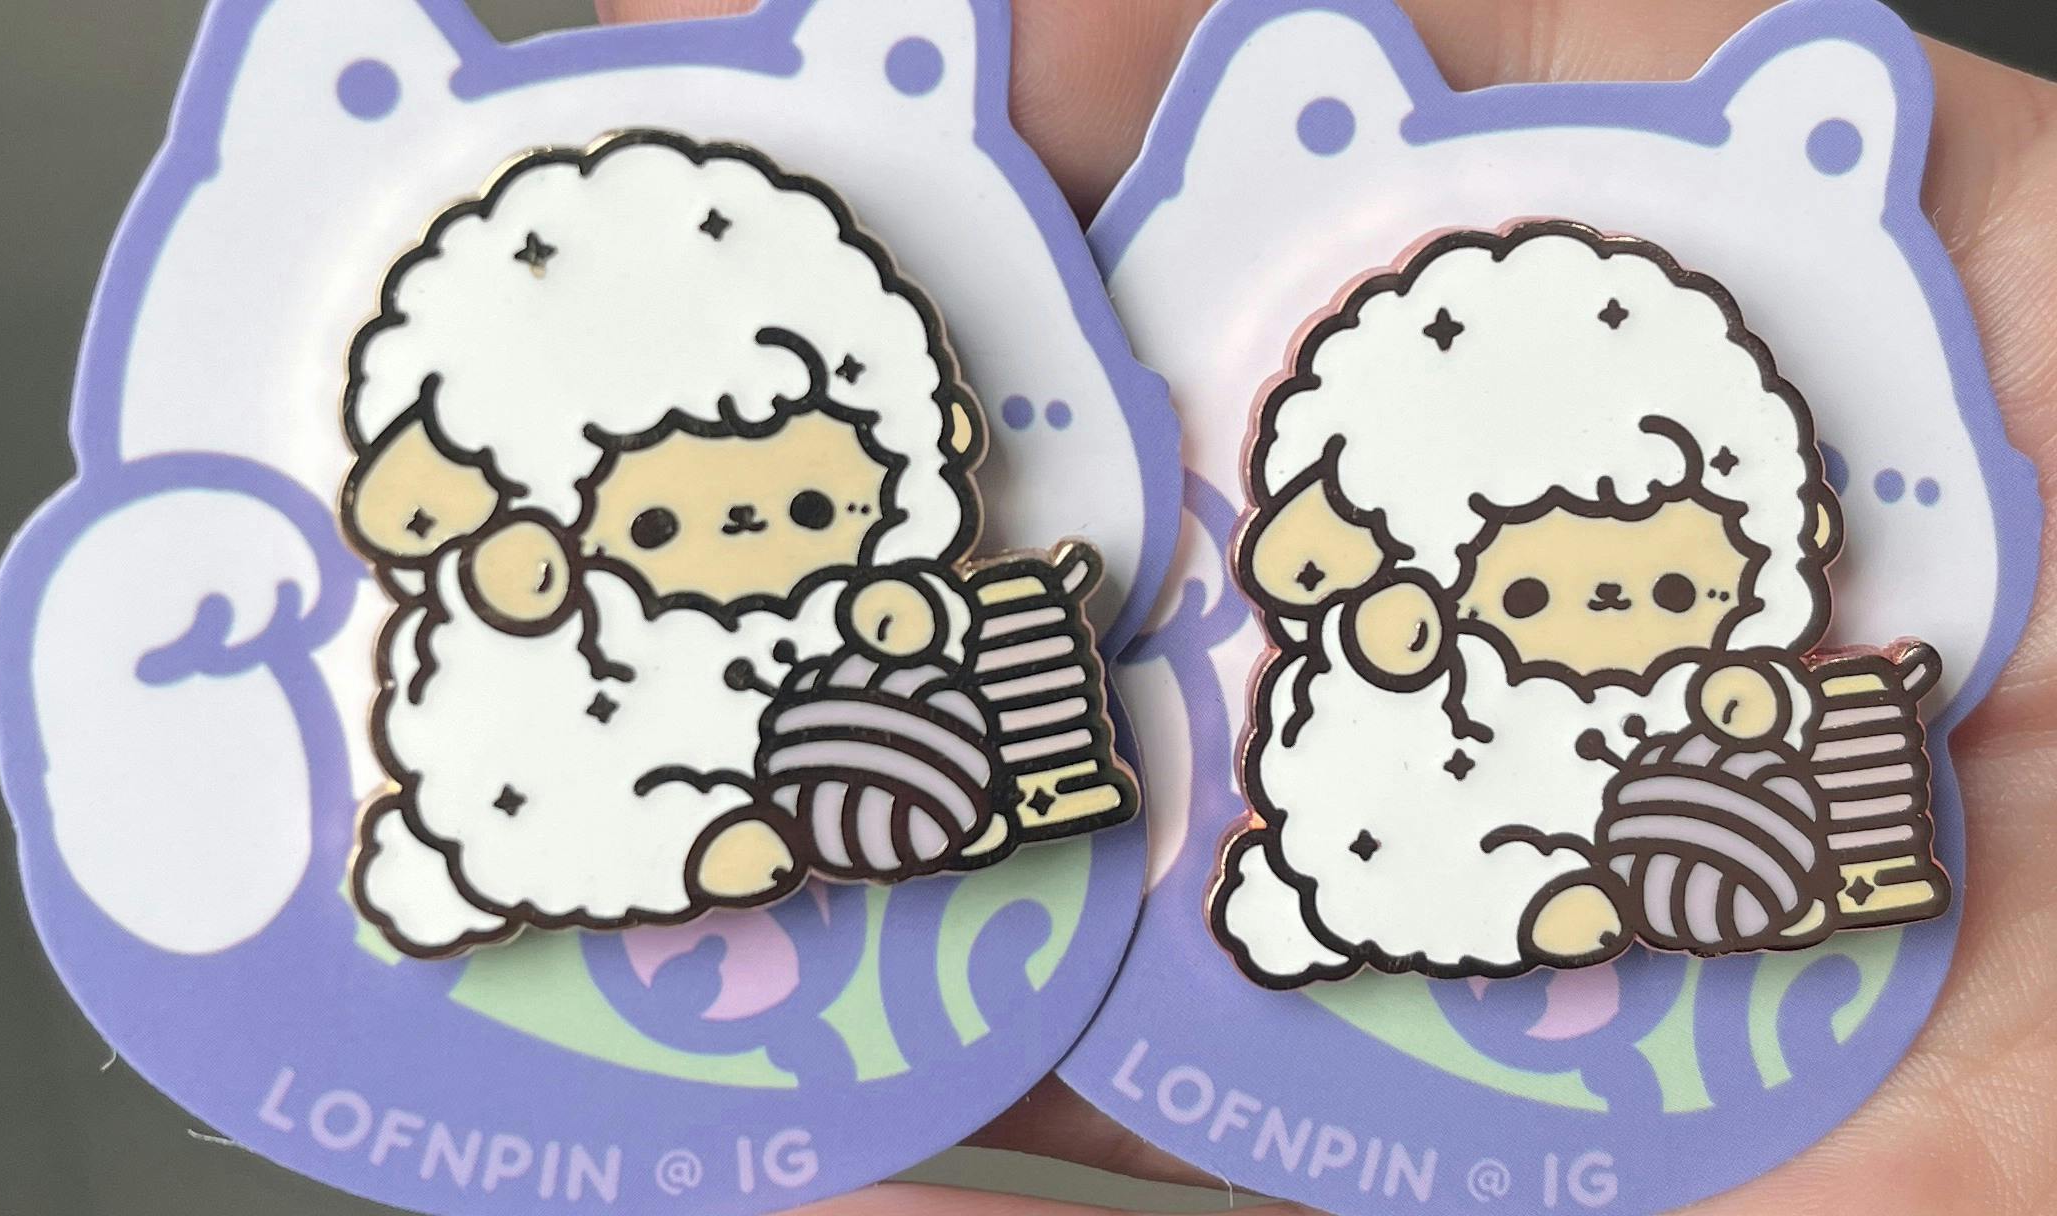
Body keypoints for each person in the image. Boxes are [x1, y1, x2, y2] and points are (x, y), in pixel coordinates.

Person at [602, 1, 2057, 1211]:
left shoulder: (1753, 678)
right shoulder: (1372, 684)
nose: (1607, 605)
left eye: (1673, 583)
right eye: (1532, 581)